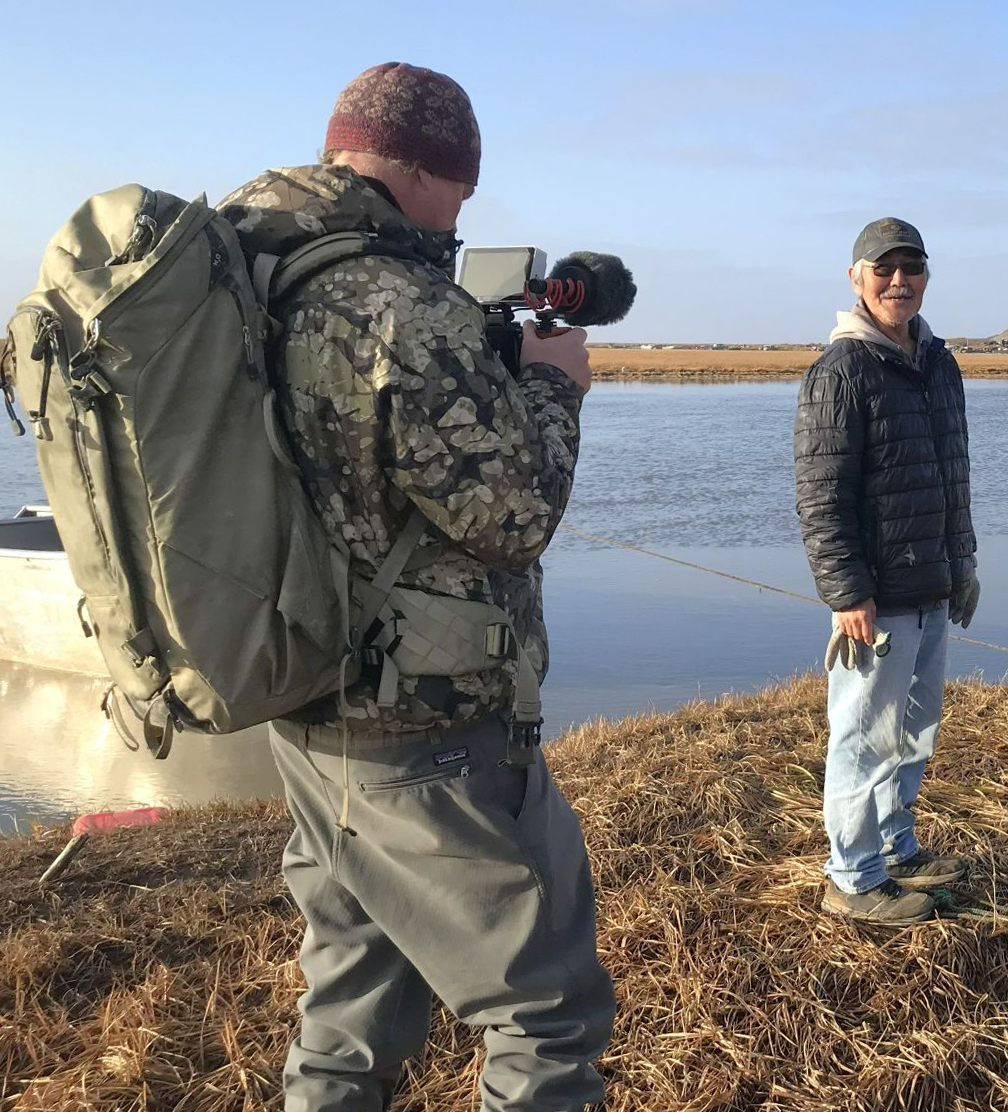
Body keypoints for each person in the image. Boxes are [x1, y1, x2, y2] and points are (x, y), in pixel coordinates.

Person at [218, 63, 614, 1110]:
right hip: (424, 734)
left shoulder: (254, 273)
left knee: (348, 1016)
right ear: (429, 170)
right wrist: (551, 386)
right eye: (460, 197)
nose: (457, 226)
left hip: (305, 706)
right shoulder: (395, 305)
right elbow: (511, 516)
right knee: (545, 1015)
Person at [793, 217, 980, 926]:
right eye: (883, 268)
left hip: (931, 586)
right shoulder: (841, 372)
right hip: (877, 601)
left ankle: (896, 847)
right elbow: (820, 495)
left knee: (913, 730)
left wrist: (962, 563)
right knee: (863, 737)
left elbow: (952, 475)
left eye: (912, 268)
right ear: (855, 278)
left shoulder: (937, 363)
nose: (898, 281)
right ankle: (851, 876)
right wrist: (846, 595)